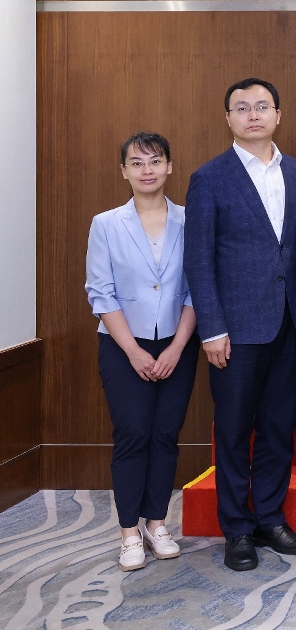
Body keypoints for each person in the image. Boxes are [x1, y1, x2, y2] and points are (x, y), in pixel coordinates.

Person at [185, 78, 296, 571]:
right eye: (242, 108)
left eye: (262, 107)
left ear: (278, 115)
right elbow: (198, 260)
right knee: (235, 431)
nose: (253, 115)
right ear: (229, 119)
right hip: (235, 330)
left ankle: (270, 519)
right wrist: (212, 329)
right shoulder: (209, 177)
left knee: (279, 428)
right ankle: (237, 529)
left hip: (289, 322)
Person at [86, 132, 199, 572]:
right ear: (124, 171)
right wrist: (133, 351)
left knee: (166, 433)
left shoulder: (190, 220)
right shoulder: (106, 224)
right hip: (122, 344)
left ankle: (157, 523)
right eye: (137, 163)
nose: (147, 170)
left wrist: (177, 346)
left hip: (177, 341)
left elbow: (196, 289)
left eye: (155, 161)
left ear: (170, 166)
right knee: (133, 433)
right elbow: (100, 292)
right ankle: (129, 532)